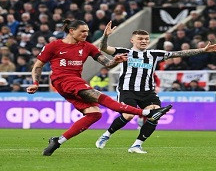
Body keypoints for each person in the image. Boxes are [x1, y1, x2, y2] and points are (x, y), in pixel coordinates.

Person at [26, 20, 172, 156]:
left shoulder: (87, 46)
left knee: (95, 114)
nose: (86, 34)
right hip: (63, 80)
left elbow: (107, 64)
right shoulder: (54, 45)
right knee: (100, 96)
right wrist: (36, 83)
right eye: (82, 31)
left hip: (76, 82)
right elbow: (38, 66)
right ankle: (146, 112)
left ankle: (58, 141)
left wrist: (116, 60)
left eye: (87, 31)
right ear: (71, 31)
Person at [96, 22, 216, 153]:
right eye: (140, 39)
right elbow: (103, 48)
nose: (144, 41)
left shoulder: (155, 54)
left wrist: (202, 50)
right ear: (132, 40)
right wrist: (105, 36)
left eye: (146, 39)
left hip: (148, 92)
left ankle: (136, 145)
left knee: (155, 115)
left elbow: (179, 53)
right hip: (128, 90)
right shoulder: (124, 52)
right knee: (128, 116)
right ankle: (106, 135)